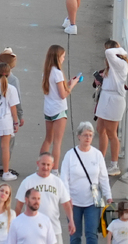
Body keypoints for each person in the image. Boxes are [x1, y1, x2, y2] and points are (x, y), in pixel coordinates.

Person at [61, 122, 112, 244]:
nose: (88, 138)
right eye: (85, 135)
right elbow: (64, 178)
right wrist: (67, 198)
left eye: (90, 135)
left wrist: (108, 196)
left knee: (92, 234)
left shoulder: (97, 154)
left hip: (93, 201)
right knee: (75, 234)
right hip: (74, 201)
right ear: (79, 136)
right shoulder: (70, 155)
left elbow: (103, 177)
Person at [15, 153, 74, 243]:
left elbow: (66, 204)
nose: (45, 167)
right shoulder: (28, 181)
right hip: (32, 230)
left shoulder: (57, 182)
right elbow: (19, 205)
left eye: (48, 165)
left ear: (52, 166)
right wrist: (17, 224)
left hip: (54, 229)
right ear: (38, 163)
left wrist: (71, 220)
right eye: (43, 164)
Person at [40, 44, 81, 172]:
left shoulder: (46, 72)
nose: (63, 59)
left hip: (48, 108)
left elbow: (55, 90)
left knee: (48, 139)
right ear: (57, 57)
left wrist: (66, 84)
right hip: (59, 110)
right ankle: (55, 169)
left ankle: (41, 164)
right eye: (63, 57)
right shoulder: (57, 73)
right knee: (57, 142)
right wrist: (72, 84)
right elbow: (63, 94)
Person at [95, 41, 128, 177]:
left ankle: (114, 165)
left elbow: (109, 52)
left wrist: (118, 49)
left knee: (111, 132)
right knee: (101, 129)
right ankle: (101, 160)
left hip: (114, 100)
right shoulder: (112, 67)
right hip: (106, 97)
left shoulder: (120, 64)